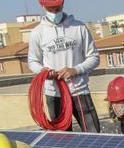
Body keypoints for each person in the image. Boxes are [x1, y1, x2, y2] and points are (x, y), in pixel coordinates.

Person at [28, 0, 102, 133]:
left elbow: (94, 57)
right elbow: (33, 61)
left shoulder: (79, 28)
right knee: (62, 139)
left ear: (63, 4)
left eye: (57, 8)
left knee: (94, 135)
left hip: (79, 91)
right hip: (55, 93)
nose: (54, 13)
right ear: (43, 6)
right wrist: (42, 71)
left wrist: (76, 70)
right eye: (50, 9)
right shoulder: (37, 33)